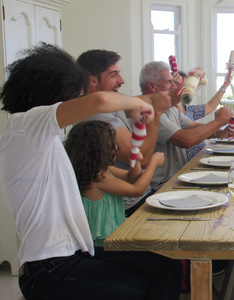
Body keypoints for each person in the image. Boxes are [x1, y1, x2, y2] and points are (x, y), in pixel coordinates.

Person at [0, 43, 179, 299]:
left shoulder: (33, 132)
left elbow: (108, 103)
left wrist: (145, 105)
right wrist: (140, 105)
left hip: (74, 253)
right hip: (50, 269)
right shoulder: (26, 125)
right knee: (138, 288)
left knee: (166, 267)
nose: (75, 99)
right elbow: (101, 100)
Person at [64, 120, 182, 299]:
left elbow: (131, 177)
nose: (116, 148)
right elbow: (136, 190)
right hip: (103, 246)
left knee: (163, 261)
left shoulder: (101, 170)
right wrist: (153, 164)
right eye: (111, 144)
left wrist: (135, 155)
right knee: (168, 267)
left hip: (111, 241)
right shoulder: (98, 177)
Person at [77, 50, 174, 216]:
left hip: (141, 197)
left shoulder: (113, 102)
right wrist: (156, 114)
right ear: (92, 80)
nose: (121, 80)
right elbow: (141, 160)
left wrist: (186, 89)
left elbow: (162, 98)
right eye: (114, 74)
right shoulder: (98, 118)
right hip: (128, 208)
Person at [139, 61, 234, 189]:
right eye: (169, 82)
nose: (173, 86)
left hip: (179, 177)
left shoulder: (170, 108)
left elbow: (192, 126)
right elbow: (185, 139)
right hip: (161, 187)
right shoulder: (149, 111)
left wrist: (220, 133)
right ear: (152, 86)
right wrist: (218, 122)